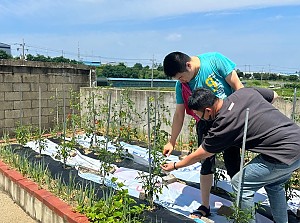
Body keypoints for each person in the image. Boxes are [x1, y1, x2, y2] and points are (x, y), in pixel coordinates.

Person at [161, 87, 300, 223]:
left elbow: (199, 155)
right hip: (296, 142)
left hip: (283, 153)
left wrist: (175, 165)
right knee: (274, 185)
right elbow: (273, 95)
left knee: (240, 184)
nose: (199, 118)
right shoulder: (244, 93)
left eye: (199, 115)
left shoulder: (224, 124)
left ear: (208, 111)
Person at [162, 51, 244, 219]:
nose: (181, 81)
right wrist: (172, 141)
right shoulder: (182, 86)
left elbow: (238, 87)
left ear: (189, 65)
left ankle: (240, 207)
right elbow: (179, 114)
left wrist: (239, 117)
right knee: (206, 163)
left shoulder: (215, 61)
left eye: (181, 77)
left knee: (233, 164)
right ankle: (205, 206)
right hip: (205, 123)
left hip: (229, 119)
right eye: (177, 79)